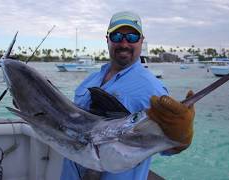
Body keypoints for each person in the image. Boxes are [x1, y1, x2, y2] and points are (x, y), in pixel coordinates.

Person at [60, 11, 195, 180]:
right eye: (117, 36)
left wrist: (180, 139)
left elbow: (162, 145)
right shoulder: (91, 80)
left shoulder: (152, 88)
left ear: (141, 41)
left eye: (131, 37)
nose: (124, 43)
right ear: (107, 39)